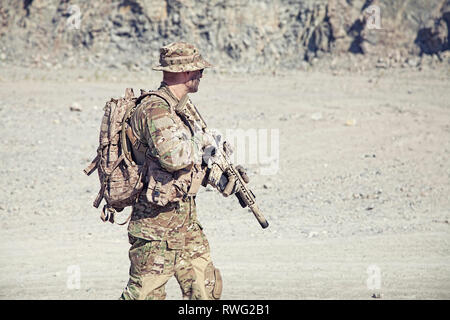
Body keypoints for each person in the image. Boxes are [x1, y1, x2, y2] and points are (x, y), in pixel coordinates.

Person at [119, 41, 223, 300]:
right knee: (144, 296)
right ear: (185, 72)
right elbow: (175, 157)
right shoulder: (154, 109)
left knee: (205, 292)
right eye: (198, 70)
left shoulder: (183, 108)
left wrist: (216, 169)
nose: (201, 75)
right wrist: (204, 143)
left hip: (186, 224)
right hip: (155, 229)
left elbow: (190, 159)